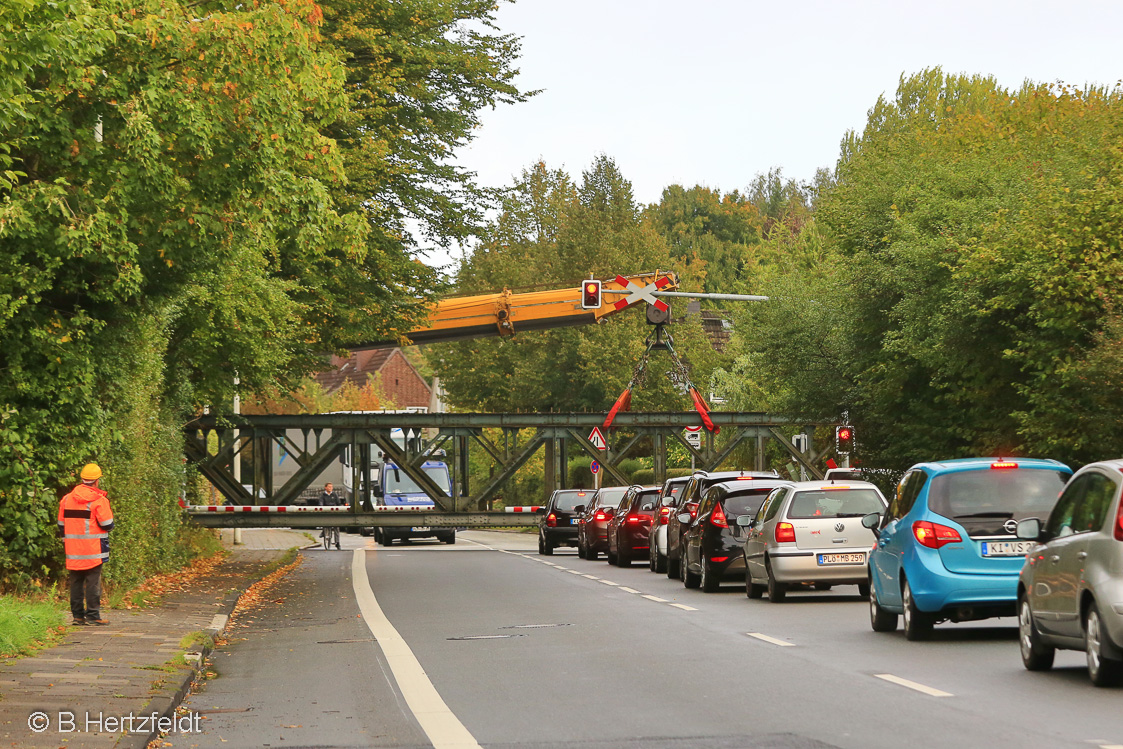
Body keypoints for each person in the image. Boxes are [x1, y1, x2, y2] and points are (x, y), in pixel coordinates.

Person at [58, 463, 114, 625]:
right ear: (96, 481)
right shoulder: (99, 500)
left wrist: (67, 541)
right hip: (94, 550)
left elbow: (61, 525)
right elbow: (108, 524)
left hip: (73, 550)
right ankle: (93, 616)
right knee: (93, 582)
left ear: (82, 479)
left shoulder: (67, 499)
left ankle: (77, 617)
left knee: (75, 583)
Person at [315, 482, 342, 549]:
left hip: (334, 513)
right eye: (329, 487)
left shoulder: (334, 494)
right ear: (325, 487)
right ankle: (324, 532)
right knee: (326, 524)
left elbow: (338, 502)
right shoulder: (323, 495)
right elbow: (321, 503)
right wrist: (321, 508)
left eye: (331, 487)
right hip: (327, 512)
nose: (330, 488)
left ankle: (337, 543)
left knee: (336, 528)